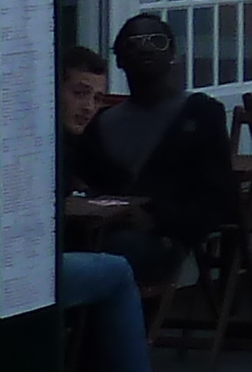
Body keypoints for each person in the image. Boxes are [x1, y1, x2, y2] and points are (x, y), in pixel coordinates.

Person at [68, 25, 236, 304]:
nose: (145, 48)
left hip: (163, 237)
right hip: (101, 230)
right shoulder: (100, 123)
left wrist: (158, 220)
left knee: (112, 254)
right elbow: (88, 184)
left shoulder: (201, 113)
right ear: (119, 59)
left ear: (172, 54)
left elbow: (217, 197)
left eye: (157, 41)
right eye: (134, 42)